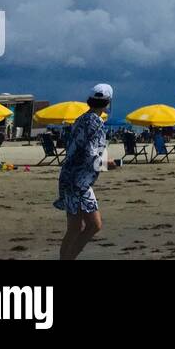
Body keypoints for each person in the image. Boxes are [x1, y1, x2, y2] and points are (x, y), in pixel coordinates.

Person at [56, 83, 120, 260]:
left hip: (67, 177)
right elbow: (90, 157)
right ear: (108, 102)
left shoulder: (81, 119)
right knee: (94, 226)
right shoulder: (97, 123)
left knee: (74, 228)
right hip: (79, 181)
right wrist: (109, 164)